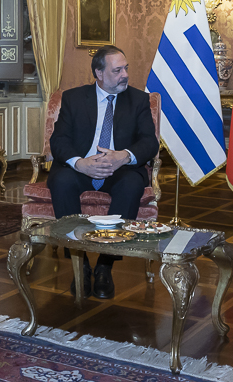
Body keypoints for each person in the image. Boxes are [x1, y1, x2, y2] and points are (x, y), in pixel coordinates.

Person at [48, 45, 159, 299]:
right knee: (61, 180)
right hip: (81, 167)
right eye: (117, 70)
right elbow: (59, 140)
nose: (125, 75)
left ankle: (105, 266)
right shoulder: (74, 98)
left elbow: (149, 142)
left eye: (126, 68)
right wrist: (79, 163)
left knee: (131, 184)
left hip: (119, 169)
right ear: (99, 73)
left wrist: (124, 156)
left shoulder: (138, 100)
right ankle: (80, 264)